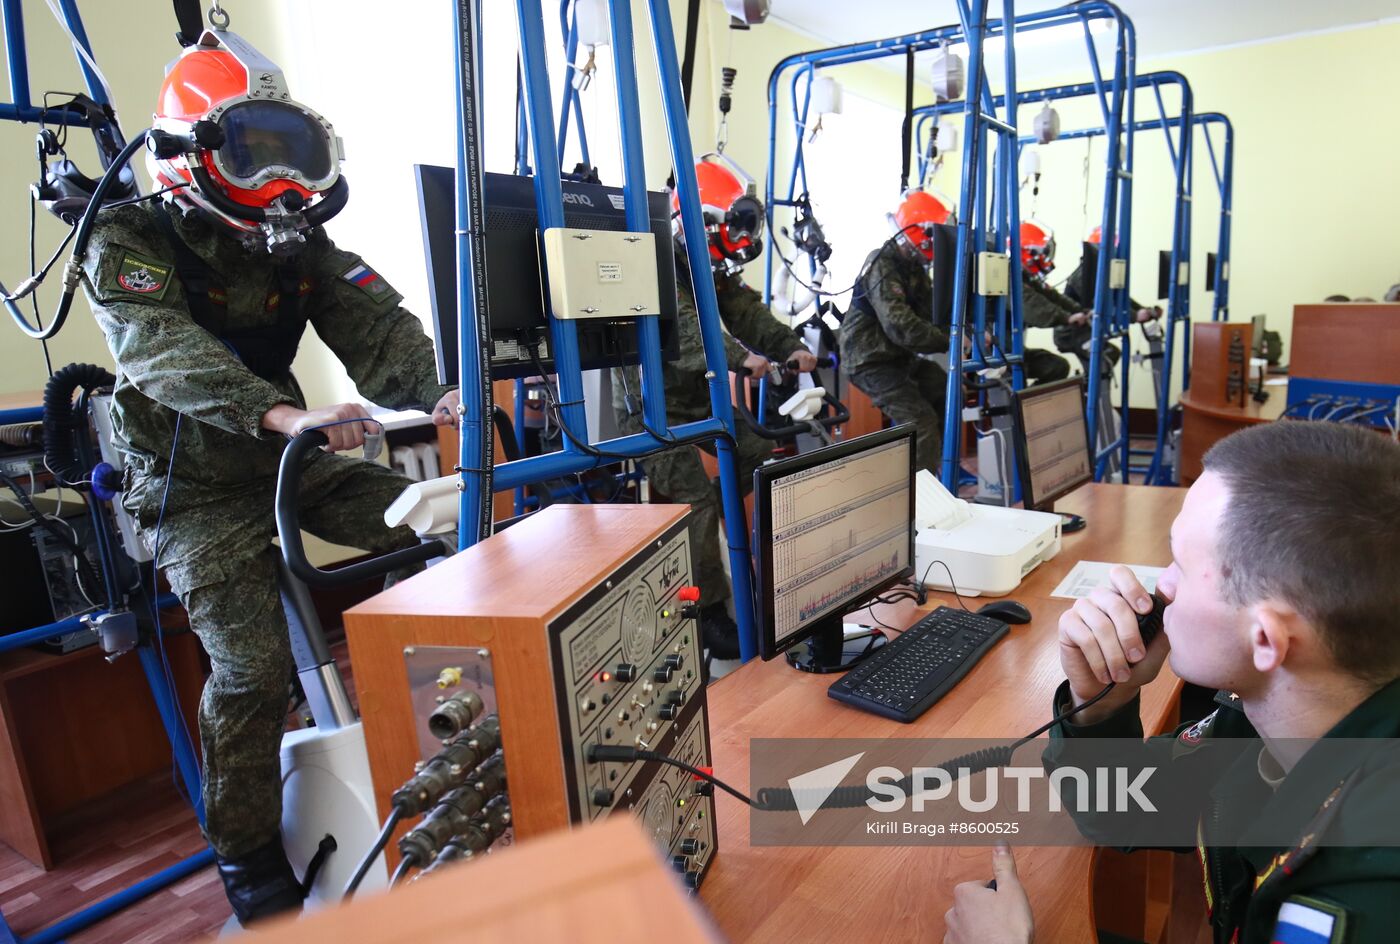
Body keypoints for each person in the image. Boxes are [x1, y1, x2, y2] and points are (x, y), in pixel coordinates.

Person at [78, 30, 458, 925]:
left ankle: (464, 745)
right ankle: (244, 850)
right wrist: (288, 414)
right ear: (190, 152)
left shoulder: (298, 247)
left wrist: (442, 394)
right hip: (194, 491)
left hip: (292, 465)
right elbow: (159, 354)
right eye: (255, 155)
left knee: (452, 527)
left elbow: (378, 325)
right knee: (250, 675)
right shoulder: (127, 241)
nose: (282, 182)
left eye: (296, 155)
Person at [944, 421, 1400, 943]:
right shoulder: (1271, 719)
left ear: (1268, 640)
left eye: (1181, 564)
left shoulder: (1367, 895)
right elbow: (1127, 813)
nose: (1163, 584)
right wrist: (1099, 707)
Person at [613, 153, 815, 660]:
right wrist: (743, 359)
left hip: (698, 398)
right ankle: (708, 611)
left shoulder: (705, 264)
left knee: (760, 464)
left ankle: (780, 579)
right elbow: (685, 335)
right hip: (649, 410)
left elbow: (744, 309)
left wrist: (787, 345)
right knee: (697, 498)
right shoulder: (654, 263)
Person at [840, 188, 952, 474]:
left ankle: (932, 473)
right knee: (920, 423)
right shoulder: (882, 263)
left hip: (896, 358)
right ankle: (918, 503)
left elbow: (932, 314)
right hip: (869, 361)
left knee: (946, 390)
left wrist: (965, 331)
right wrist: (949, 340)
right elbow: (900, 326)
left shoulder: (914, 268)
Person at [1056, 225, 1161, 375]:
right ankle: (1086, 395)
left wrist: (1142, 310)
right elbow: (1100, 305)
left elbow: (1120, 297)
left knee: (1107, 359)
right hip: (1071, 333)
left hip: (1086, 329)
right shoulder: (1084, 276)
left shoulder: (1103, 275)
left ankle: (1091, 393)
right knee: (1106, 357)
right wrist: (1133, 316)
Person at [1015, 220, 1078, 385]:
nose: (1046, 258)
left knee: (1057, 367)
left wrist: (1078, 311)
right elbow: (1031, 305)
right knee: (1017, 372)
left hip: (1014, 349)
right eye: (1044, 252)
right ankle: (1020, 408)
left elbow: (1049, 295)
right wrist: (1066, 318)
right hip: (996, 351)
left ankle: (1031, 407)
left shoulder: (1026, 277)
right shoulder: (1010, 276)